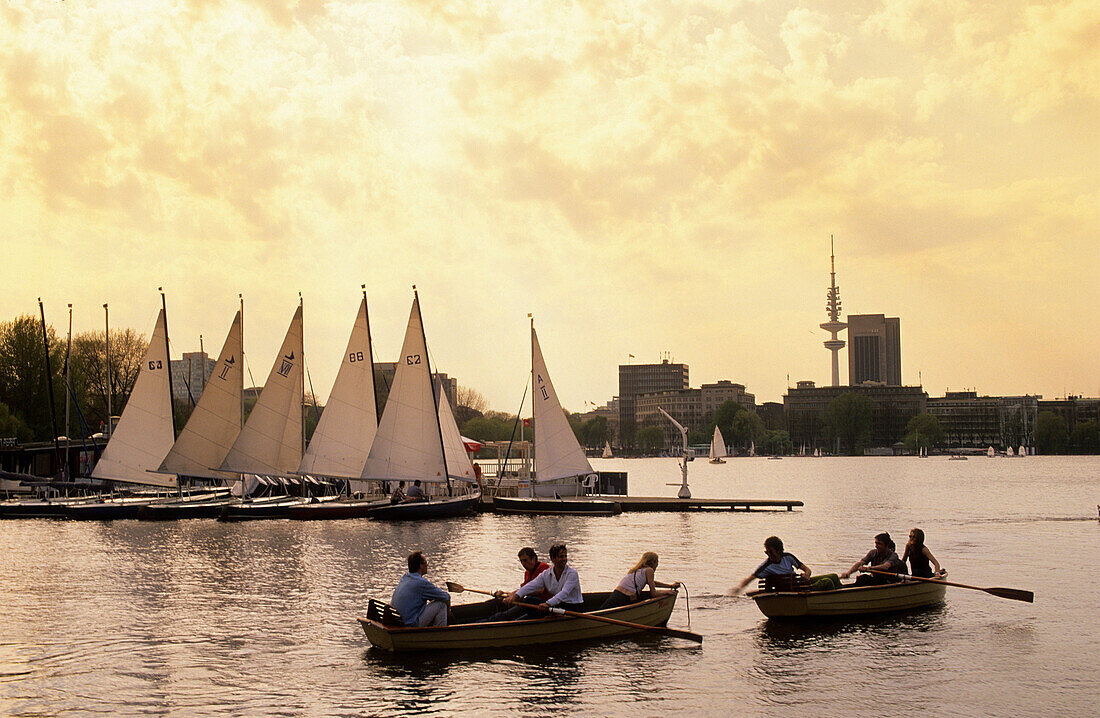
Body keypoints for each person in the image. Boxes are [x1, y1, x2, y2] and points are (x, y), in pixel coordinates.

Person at [501, 543, 583, 616]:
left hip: (572, 608)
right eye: (561, 557)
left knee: (530, 602)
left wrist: (548, 604)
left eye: (565, 556)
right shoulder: (546, 574)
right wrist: (516, 596)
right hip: (558, 605)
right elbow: (531, 585)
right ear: (553, 559)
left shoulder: (572, 574)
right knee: (529, 600)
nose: (564, 559)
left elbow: (564, 593)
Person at [733, 536, 829, 594]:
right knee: (827, 582)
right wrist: (739, 588)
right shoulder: (766, 566)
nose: (769, 555)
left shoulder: (788, 557)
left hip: (801, 585)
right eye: (767, 552)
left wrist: (806, 575)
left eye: (771, 552)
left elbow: (807, 570)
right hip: (797, 590)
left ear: (778, 551)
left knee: (832, 577)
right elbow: (750, 578)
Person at [484, 548, 552, 621]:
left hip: (543, 605)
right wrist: (506, 594)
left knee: (507, 615)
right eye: (521, 561)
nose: (523, 564)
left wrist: (515, 595)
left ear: (533, 558)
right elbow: (522, 590)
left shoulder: (543, 568)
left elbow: (539, 591)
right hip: (531, 606)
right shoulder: (527, 573)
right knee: (496, 604)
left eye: (525, 560)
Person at [599, 551, 681, 609]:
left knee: (602, 611)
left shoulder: (637, 570)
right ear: (653, 562)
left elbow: (652, 582)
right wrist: (667, 592)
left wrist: (670, 586)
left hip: (617, 594)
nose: (657, 564)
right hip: (626, 597)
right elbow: (653, 593)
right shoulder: (649, 570)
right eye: (657, 562)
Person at [390, 551, 450, 627]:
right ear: (421, 566)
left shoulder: (405, 577)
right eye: (426, 563)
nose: (427, 565)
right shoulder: (421, 583)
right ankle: (440, 634)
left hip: (398, 621)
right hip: (410, 624)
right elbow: (446, 597)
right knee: (441, 605)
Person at [841, 532, 905, 585]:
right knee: (861, 578)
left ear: (887, 545)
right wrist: (848, 573)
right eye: (876, 543)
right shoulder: (872, 553)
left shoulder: (893, 555)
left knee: (863, 579)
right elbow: (860, 563)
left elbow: (885, 566)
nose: (876, 546)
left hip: (888, 581)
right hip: (875, 580)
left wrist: (869, 568)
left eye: (879, 544)